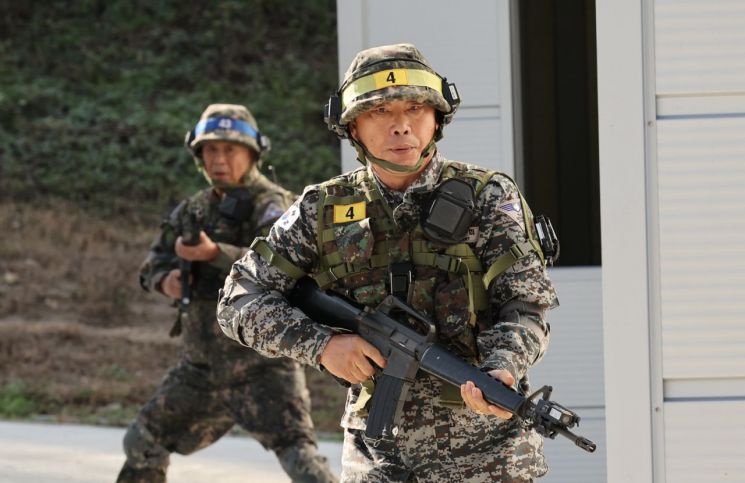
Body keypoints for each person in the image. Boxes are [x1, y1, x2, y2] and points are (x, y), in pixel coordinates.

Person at [217, 45, 558, 482]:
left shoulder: (489, 197)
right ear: (353, 127)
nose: (401, 126)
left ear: (437, 117)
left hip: (488, 456)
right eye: (379, 111)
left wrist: (503, 367)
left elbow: (526, 306)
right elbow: (238, 298)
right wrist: (321, 345)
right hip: (375, 458)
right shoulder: (322, 208)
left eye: (416, 107)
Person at [116, 104, 337, 483]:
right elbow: (151, 265)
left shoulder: (272, 204)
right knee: (142, 442)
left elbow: (286, 264)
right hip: (200, 369)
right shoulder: (195, 209)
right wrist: (167, 279)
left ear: (252, 154)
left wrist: (214, 254)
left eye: (230, 150)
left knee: (302, 461)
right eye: (211, 150)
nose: (219, 159)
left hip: (263, 368)